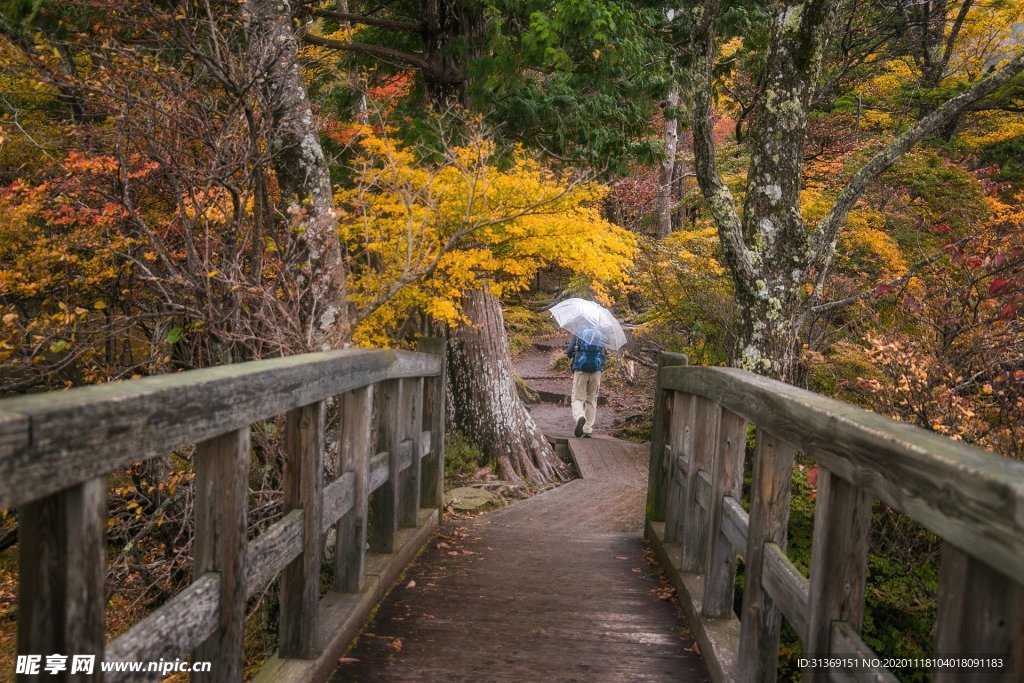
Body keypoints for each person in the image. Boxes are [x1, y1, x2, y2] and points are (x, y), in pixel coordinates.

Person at [566, 328, 606, 437]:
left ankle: (580, 416)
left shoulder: (579, 331)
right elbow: (604, 353)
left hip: (581, 369)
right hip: (596, 371)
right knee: (592, 400)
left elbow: (569, 352)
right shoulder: (601, 333)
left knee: (578, 398)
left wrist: (572, 353)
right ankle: (587, 429)